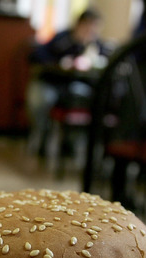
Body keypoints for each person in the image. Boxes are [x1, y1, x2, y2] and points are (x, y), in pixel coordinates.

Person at [26, 8, 111, 154]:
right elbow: (36, 55)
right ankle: (41, 136)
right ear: (79, 24)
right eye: (88, 26)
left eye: (95, 27)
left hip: (76, 86)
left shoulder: (96, 45)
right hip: (51, 82)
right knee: (42, 99)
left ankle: (71, 143)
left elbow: (106, 60)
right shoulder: (63, 38)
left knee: (86, 97)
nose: (91, 30)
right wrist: (60, 62)